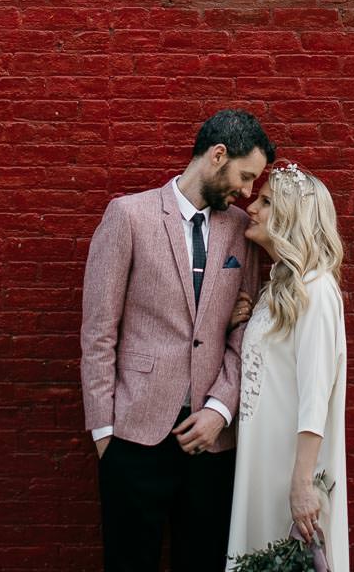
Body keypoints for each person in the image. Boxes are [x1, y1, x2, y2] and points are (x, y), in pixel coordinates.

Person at [81, 109, 275, 572]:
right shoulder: (128, 216)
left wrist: (220, 409)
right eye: (245, 177)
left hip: (211, 445)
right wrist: (105, 433)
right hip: (133, 436)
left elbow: (244, 334)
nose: (248, 193)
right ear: (217, 155)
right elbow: (98, 332)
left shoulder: (239, 233)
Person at [225, 162, 349, 572]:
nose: (251, 207)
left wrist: (301, 484)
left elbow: (316, 394)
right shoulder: (281, 286)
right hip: (259, 461)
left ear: (291, 216)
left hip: (289, 469)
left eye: (265, 201)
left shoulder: (317, 290)